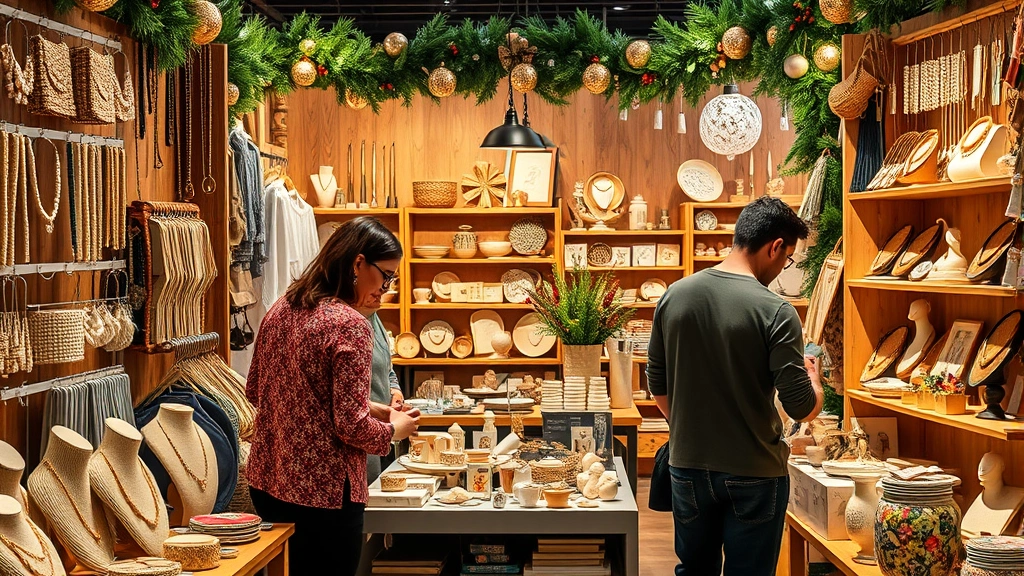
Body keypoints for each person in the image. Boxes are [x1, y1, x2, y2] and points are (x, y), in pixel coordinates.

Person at [646, 197, 823, 576]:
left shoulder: (675, 295)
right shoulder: (776, 310)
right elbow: (801, 407)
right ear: (775, 247)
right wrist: (814, 379)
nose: (782, 268)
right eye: (787, 257)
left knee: (694, 570)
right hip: (755, 471)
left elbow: (657, 383)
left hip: (688, 465)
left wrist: (686, 427)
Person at [245, 216, 419, 576]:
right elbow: (352, 428)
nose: (386, 287)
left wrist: (372, 407)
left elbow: (260, 389)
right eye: (386, 275)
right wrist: (395, 430)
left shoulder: (281, 308)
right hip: (325, 495)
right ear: (358, 263)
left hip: (270, 483)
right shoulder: (350, 324)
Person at [365, 311, 405, 483]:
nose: (383, 290)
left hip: (379, 429)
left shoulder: (373, 316)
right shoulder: (349, 324)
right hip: (363, 429)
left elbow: (388, 368)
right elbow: (347, 404)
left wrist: (395, 391)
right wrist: (383, 412)